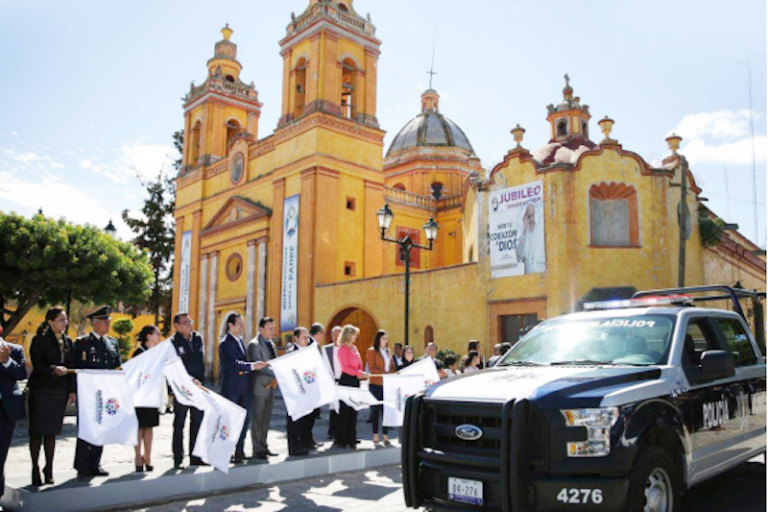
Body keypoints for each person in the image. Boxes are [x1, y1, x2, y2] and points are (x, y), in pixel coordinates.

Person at [28, 307, 75, 486]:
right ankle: (34, 468)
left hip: (59, 392)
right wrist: (52, 369)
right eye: (61, 320)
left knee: (51, 433)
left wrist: (72, 390)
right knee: (36, 432)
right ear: (51, 322)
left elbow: (70, 365)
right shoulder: (39, 340)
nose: (64, 323)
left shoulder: (68, 341)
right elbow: (37, 364)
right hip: (41, 391)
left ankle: (49, 468)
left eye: (65, 319)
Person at [72, 306, 121, 479]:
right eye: (104, 322)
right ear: (94, 324)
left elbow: (117, 367)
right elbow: (75, 369)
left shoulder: (113, 343)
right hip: (87, 394)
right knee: (86, 428)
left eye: (108, 322)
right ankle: (82, 464)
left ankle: (95, 463)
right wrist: (73, 391)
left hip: (105, 393)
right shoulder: (82, 343)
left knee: (101, 427)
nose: (107, 325)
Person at [219, 313, 266, 463]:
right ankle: (226, 452)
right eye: (239, 324)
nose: (242, 327)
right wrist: (253, 366)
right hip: (232, 388)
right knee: (231, 422)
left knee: (244, 421)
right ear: (230, 326)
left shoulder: (240, 341)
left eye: (243, 324)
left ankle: (239, 450)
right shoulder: (225, 343)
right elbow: (234, 363)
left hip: (244, 388)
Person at [170, 313, 206, 469]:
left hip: (198, 388)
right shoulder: (172, 343)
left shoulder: (197, 338)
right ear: (176, 326)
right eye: (185, 322)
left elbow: (200, 362)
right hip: (181, 389)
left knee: (197, 422)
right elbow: (172, 367)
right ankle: (178, 458)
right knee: (179, 423)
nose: (189, 324)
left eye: (190, 321)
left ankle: (195, 456)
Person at [131, 325, 164, 473]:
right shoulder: (139, 352)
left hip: (152, 395)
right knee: (139, 427)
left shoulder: (157, 353)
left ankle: (148, 456)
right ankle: (138, 456)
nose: (159, 336)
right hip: (139, 396)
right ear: (149, 337)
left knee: (149, 426)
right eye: (157, 334)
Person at [0, 325, 27, 500]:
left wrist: (7, 361)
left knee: (0, 456)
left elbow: (21, 374)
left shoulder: (15, 350)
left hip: (4, 411)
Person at [247, 317, 278, 460]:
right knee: (258, 418)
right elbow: (260, 367)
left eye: (273, 328)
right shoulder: (254, 345)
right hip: (259, 386)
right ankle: (257, 448)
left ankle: (264, 445)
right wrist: (277, 374)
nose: (272, 331)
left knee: (266, 418)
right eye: (269, 328)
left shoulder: (271, 344)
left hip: (270, 385)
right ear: (261, 329)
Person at [335, 325, 368, 449]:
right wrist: (359, 373)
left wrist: (361, 372)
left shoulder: (354, 348)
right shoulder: (342, 350)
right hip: (346, 380)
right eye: (354, 334)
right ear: (349, 335)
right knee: (345, 411)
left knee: (354, 409)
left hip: (355, 381)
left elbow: (359, 363)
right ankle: (343, 439)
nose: (356, 337)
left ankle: (352, 437)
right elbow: (346, 367)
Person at [285, 327, 311, 456]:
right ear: (296, 338)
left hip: (305, 391)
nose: (307, 340)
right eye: (304, 337)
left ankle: (301, 443)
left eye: (308, 337)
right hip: (294, 392)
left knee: (303, 419)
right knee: (294, 420)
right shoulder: (292, 352)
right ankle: (294, 447)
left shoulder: (307, 351)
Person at [366, 330, 394, 445]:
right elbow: (372, 368)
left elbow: (392, 366)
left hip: (387, 384)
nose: (385, 341)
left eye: (386, 339)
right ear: (378, 340)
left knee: (386, 410)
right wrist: (386, 374)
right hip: (376, 383)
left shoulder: (388, 351)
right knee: (376, 410)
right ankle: (375, 434)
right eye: (383, 338)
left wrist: (392, 372)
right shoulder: (372, 351)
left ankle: (385, 434)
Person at [322, 326, 342, 440]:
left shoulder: (346, 348)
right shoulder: (327, 349)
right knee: (334, 407)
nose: (336, 337)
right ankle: (332, 430)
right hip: (333, 382)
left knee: (343, 407)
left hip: (344, 381)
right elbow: (325, 366)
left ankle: (342, 431)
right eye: (334, 335)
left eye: (338, 334)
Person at [516, 203, 546, 274]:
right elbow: (519, 255)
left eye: (533, 215)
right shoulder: (523, 234)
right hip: (529, 275)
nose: (531, 218)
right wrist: (524, 231)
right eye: (529, 216)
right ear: (526, 217)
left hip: (542, 273)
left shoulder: (542, 232)